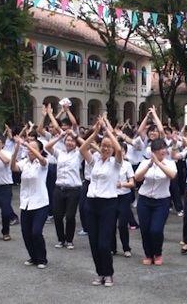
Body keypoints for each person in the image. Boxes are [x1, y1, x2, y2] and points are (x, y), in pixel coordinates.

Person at [80, 117, 122, 287]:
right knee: (93, 242)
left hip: (108, 204)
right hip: (91, 203)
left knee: (104, 243)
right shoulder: (95, 161)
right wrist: (95, 133)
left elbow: (118, 148)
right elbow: (83, 148)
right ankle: (100, 273)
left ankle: (109, 273)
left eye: (108, 147)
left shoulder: (116, 163)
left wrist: (108, 131)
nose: (105, 148)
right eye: (103, 145)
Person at [135, 138, 177, 266]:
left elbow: (172, 175)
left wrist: (159, 164)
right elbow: (137, 177)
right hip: (144, 199)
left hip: (162, 201)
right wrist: (149, 165)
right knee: (145, 229)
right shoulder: (145, 163)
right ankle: (148, 254)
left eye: (164, 148)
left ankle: (157, 253)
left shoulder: (170, 163)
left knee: (156, 229)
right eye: (159, 149)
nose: (163, 151)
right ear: (153, 151)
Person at [11, 136, 49, 269]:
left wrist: (28, 144)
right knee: (26, 233)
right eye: (28, 148)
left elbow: (42, 159)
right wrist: (16, 149)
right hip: (26, 202)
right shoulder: (24, 162)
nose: (30, 150)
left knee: (36, 232)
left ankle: (42, 258)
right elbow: (13, 167)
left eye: (33, 148)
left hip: (40, 202)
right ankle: (33, 257)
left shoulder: (43, 163)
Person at [45, 127, 83, 250]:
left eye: (72, 141)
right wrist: (60, 136)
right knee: (57, 215)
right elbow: (48, 147)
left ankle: (69, 239)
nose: (70, 142)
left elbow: (86, 146)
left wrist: (75, 136)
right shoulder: (60, 153)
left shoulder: (79, 154)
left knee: (70, 216)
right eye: (68, 140)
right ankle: (61, 239)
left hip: (74, 189)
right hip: (59, 188)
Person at [111, 142, 135, 257]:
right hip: (111, 196)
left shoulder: (127, 165)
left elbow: (132, 183)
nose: (120, 153)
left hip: (124, 197)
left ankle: (126, 248)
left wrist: (122, 185)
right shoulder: (109, 163)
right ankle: (112, 248)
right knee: (110, 223)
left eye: (122, 151)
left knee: (122, 225)